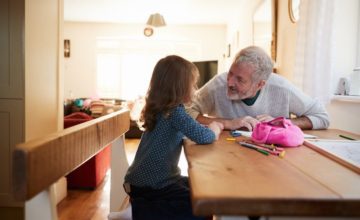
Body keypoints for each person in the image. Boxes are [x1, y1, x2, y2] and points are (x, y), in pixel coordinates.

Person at [123, 55, 224, 220]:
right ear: (180, 88)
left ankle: (140, 209)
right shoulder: (175, 112)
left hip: (142, 180)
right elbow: (204, 136)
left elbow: (190, 128)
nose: (195, 88)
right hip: (153, 184)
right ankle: (137, 212)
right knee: (198, 208)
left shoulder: (162, 109)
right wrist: (214, 129)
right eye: (193, 84)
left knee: (199, 189)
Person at [187, 46, 330, 131]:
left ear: (260, 84)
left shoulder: (281, 88)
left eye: (240, 79)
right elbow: (185, 111)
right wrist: (228, 123)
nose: (229, 82)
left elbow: (322, 117)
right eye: (230, 73)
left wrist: (284, 123)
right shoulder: (217, 84)